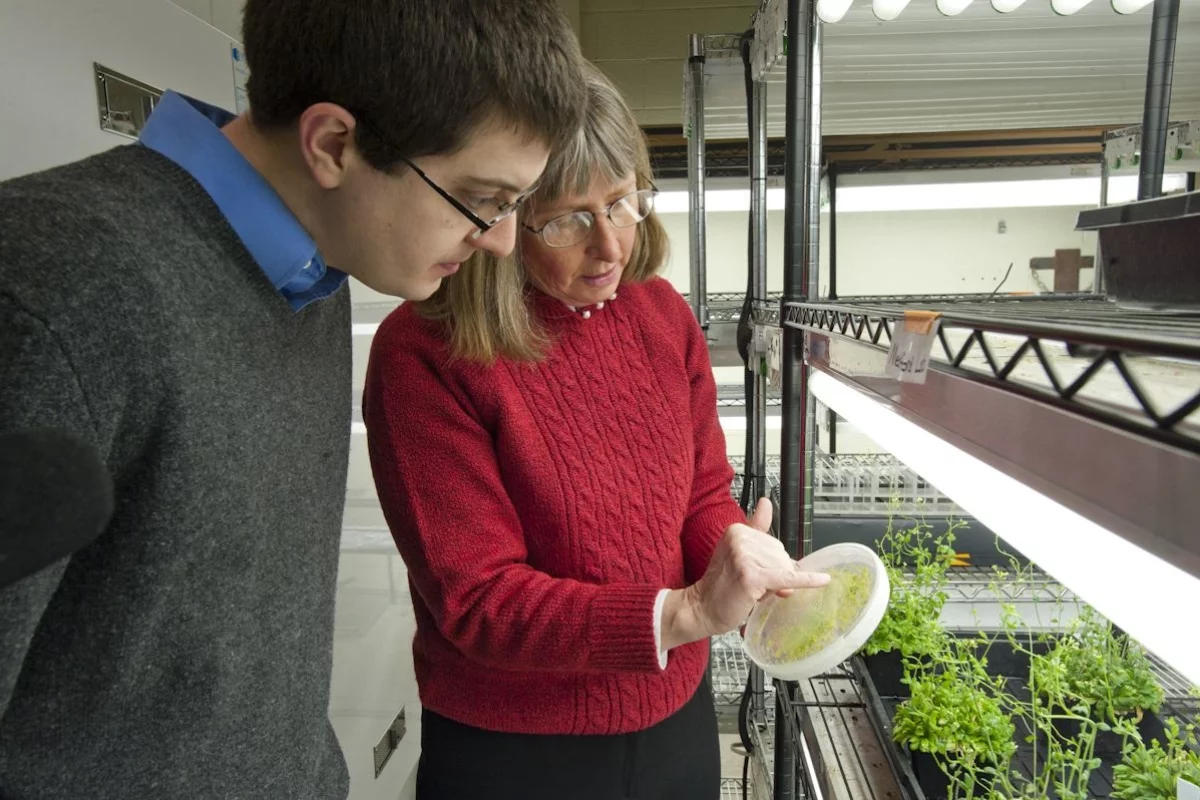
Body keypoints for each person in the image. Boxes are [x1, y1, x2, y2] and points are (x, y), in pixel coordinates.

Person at [0, 1, 587, 797]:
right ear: (333, 145)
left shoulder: (315, 270)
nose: (500, 241)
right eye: (483, 198)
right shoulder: (49, 288)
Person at [363, 64, 828, 800]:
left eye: (623, 201)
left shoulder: (660, 315)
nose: (610, 247)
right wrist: (687, 612)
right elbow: (479, 601)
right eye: (570, 218)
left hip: (674, 716)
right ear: (506, 219)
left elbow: (701, 490)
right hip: (514, 750)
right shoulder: (425, 354)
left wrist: (739, 555)